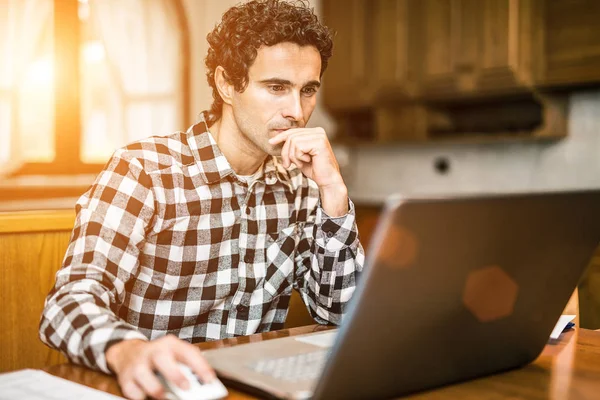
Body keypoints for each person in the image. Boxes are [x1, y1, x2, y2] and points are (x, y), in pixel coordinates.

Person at [39, 1, 364, 399]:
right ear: (227, 83)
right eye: (276, 87)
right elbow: (67, 303)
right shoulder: (144, 170)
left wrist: (335, 194)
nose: (296, 111)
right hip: (153, 390)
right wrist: (126, 351)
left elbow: (342, 316)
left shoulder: (301, 183)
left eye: (308, 90)